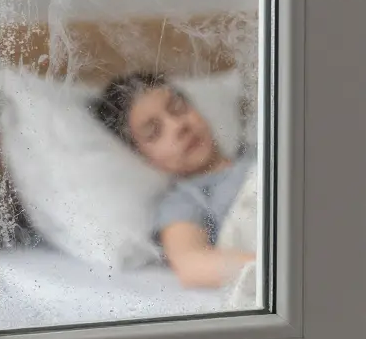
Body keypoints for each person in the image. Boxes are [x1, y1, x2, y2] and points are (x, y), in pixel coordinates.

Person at [91, 71, 254, 288]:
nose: (179, 126)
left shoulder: (259, 150)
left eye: (178, 108)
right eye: (154, 132)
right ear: (142, 157)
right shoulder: (185, 200)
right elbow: (192, 265)